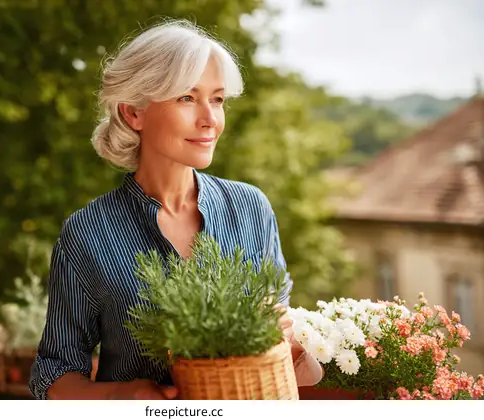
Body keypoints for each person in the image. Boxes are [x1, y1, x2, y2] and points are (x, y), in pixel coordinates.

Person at [28, 19, 323, 400]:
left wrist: (287, 335)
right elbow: (53, 375)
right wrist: (123, 396)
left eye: (217, 99)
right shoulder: (86, 234)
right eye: (187, 97)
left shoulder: (252, 208)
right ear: (134, 113)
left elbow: (295, 367)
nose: (209, 120)